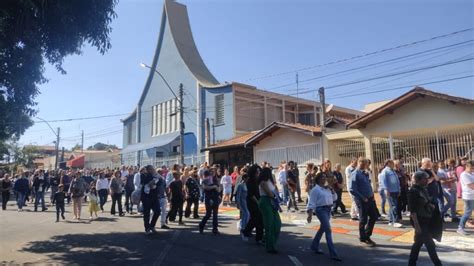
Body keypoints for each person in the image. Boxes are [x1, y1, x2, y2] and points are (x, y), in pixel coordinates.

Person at [408, 171, 442, 266]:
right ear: (419, 180)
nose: (427, 180)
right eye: (425, 179)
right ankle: (438, 264)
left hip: (427, 220)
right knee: (430, 245)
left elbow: (425, 201)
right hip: (420, 221)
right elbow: (412, 210)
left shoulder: (423, 189)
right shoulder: (413, 191)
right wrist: (417, 225)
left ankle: (411, 263)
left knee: (417, 244)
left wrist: (430, 205)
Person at [307, 172, 341, 261]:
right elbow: (311, 203)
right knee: (328, 230)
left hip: (328, 210)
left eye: (324, 177)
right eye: (322, 177)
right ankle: (333, 254)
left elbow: (335, 198)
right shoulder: (315, 189)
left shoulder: (327, 188)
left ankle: (314, 246)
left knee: (323, 229)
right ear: (318, 179)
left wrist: (332, 190)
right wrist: (309, 215)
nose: (323, 179)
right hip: (320, 210)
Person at [350, 157, 378, 247]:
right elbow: (352, 189)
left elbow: (368, 185)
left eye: (365, 163)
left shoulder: (365, 173)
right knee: (363, 219)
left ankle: (366, 235)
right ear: (358, 163)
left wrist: (372, 196)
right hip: (362, 200)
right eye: (361, 163)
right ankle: (363, 238)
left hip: (370, 199)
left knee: (374, 216)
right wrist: (362, 197)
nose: (363, 164)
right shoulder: (355, 174)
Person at [258, 167, 282, 254]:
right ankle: (270, 246)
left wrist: (278, 204)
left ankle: (270, 242)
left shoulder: (271, 182)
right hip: (265, 201)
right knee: (269, 225)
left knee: (277, 224)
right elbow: (270, 194)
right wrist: (276, 197)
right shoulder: (263, 182)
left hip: (272, 202)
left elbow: (275, 192)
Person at [242, 165, 264, 243]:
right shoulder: (250, 181)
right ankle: (246, 232)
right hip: (252, 202)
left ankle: (259, 237)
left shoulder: (256, 180)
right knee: (256, 219)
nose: (258, 173)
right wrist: (258, 203)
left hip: (257, 201)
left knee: (258, 219)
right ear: (253, 172)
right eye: (257, 171)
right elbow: (251, 195)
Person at [379, 159, 403, 228]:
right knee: (393, 206)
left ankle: (391, 220)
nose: (393, 164)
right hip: (390, 191)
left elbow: (397, 181)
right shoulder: (385, 171)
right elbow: (383, 181)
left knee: (392, 206)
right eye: (392, 163)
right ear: (389, 163)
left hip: (395, 190)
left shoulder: (392, 170)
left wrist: (399, 189)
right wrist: (386, 189)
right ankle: (394, 221)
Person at [199, 169, 221, 234]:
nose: (213, 173)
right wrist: (214, 187)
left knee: (215, 214)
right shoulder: (205, 180)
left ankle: (215, 229)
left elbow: (218, 189)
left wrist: (216, 188)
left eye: (213, 172)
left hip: (215, 198)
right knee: (208, 214)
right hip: (209, 199)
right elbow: (205, 187)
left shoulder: (215, 180)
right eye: (211, 172)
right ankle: (201, 225)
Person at [140, 165, 161, 235]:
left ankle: (152, 225)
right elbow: (145, 183)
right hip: (146, 197)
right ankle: (147, 228)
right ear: (148, 170)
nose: (153, 170)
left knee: (158, 211)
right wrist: (153, 181)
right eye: (151, 169)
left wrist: (154, 182)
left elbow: (160, 182)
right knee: (147, 213)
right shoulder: (143, 175)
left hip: (154, 196)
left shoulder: (157, 175)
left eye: (153, 169)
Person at [457, 161, 474, 235]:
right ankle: (460, 228)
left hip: (472, 196)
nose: (472, 169)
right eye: (471, 168)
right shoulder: (464, 175)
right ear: (466, 167)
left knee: (468, 213)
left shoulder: (472, 173)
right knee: (467, 213)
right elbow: (471, 186)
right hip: (468, 197)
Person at [235, 172, 250, 241]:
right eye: (247, 178)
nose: (248, 179)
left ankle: (242, 225)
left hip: (245, 201)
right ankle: (243, 227)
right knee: (246, 214)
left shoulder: (246, 185)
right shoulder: (240, 185)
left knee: (246, 214)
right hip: (242, 202)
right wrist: (238, 203)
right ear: (244, 178)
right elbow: (238, 195)